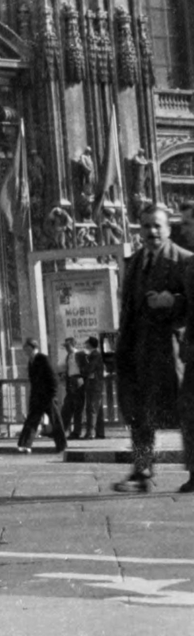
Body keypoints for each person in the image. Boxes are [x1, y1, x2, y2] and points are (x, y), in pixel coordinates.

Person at [111, 204, 193, 493]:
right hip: (136, 352)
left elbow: (190, 305)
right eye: (146, 226)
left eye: (158, 226)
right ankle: (142, 471)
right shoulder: (134, 262)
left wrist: (173, 301)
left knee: (184, 413)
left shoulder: (184, 260)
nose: (152, 232)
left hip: (168, 354)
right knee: (139, 416)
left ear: (168, 229)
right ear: (139, 229)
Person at [15, 339, 67, 454]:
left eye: (27, 348)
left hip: (47, 396)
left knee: (55, 421)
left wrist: (52, 394)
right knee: (31, 420)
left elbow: (52, 377)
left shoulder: (42, 359)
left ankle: (61, 445)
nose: (25, 351)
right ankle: (25, 444)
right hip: (37, 397)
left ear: (33, 347)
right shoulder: (31, 361)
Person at [79, 335, 105, 440]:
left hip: (94, 384)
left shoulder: (95, 355)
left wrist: (82, 367)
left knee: (91, 408)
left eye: (87, 343)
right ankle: (100, 432)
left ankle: (90, 433)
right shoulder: (95, 355)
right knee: (97, 409)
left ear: (90, 345)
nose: (85, 345)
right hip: (95, 384)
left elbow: (89, 369)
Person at [60, 337, 85, 439]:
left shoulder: (79, 355)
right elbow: (69, 368)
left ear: (73, 345)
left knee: (77, 407)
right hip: (70, 380)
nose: (66, 348)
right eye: (65, 346)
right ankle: (63, 430)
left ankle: (76, 432)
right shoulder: (68, 356)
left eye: (68, 346)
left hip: (78, 380)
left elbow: (84, 368)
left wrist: (82, 379)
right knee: (67, 406)